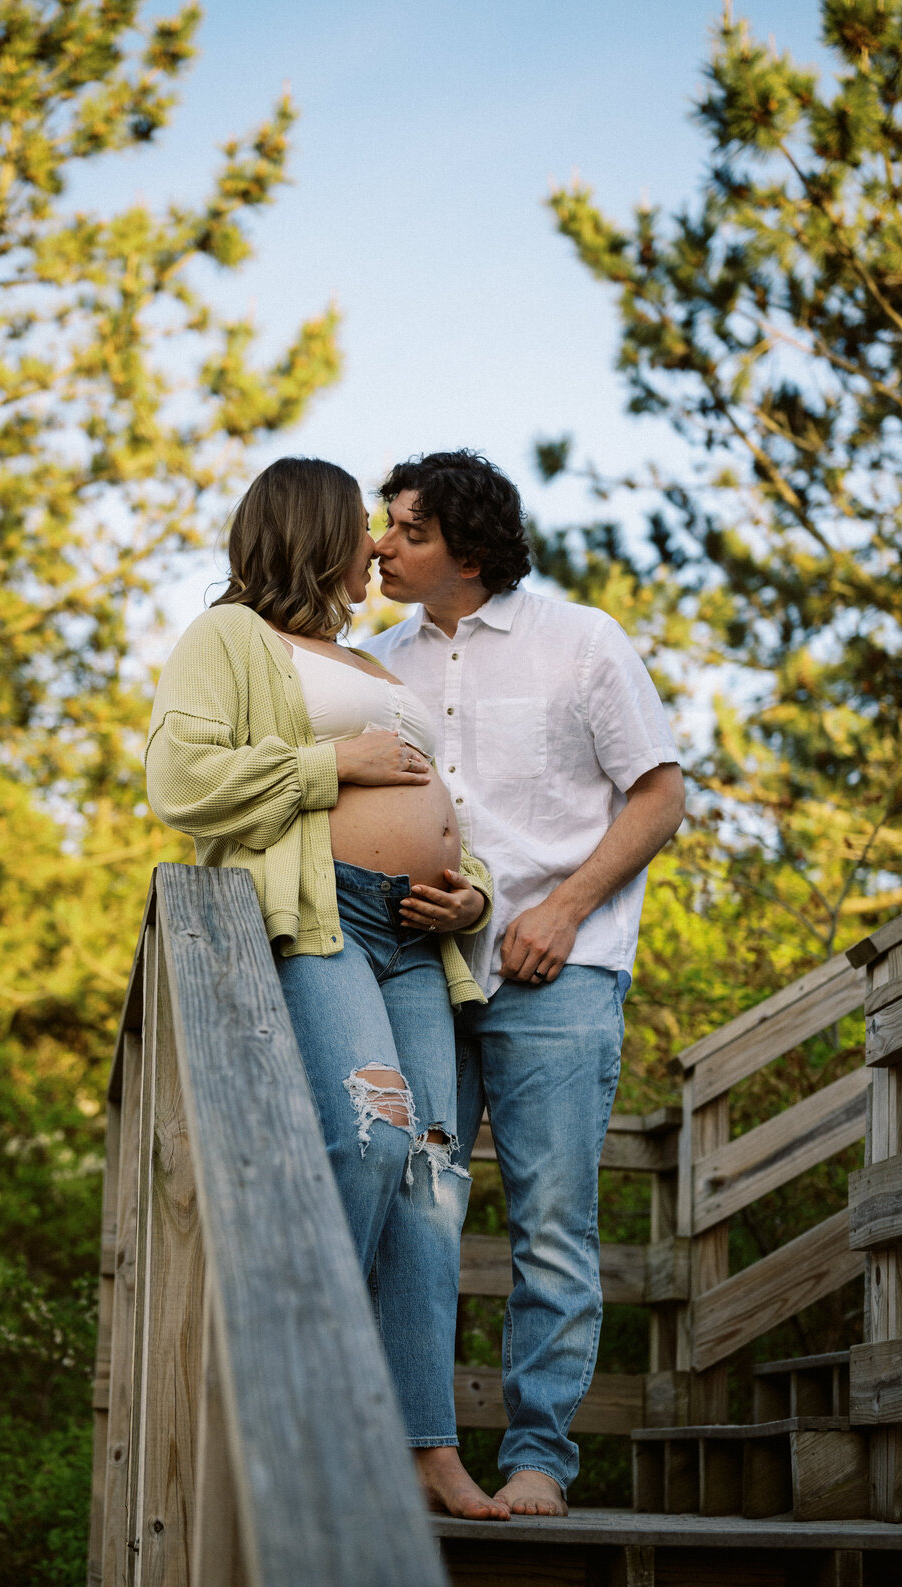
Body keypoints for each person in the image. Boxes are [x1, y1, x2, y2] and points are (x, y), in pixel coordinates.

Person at [145, 456, 509, 1519]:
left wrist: (472, 897)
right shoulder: (231, 639)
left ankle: (426, 1451)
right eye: (364, 527)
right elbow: (180, 781)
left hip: (418, 941)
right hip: (321, 919)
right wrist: (330, 764)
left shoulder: (371, 662)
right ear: (312, 533)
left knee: (436, 1179)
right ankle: (305, 1402)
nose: (379, 546)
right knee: (373, 1134)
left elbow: (450, 811)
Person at [370, 450, 684, 1519]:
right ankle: (421, 1453)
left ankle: (540, 1458)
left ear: (469, 545)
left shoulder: (580, 642)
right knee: (418, 1204)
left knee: (552, 1219)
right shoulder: (375, 666)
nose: (382, 545)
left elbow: (659, 792)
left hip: (560, 973)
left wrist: (562, 907)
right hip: (419, 972)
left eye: (407, 530)